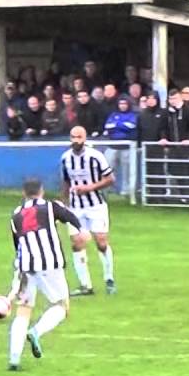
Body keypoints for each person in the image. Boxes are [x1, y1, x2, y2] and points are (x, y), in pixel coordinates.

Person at [3, 178, 88, 372]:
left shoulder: (16, 215)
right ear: (41, 191)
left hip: (26, 266)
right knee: (62, 306)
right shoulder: (50, 207)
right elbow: (69, 216)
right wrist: (82, 231)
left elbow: (18, 246)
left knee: (23, 310)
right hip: (49, 264)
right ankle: (36, 332)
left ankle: (14, 360)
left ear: (24, 194)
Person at [60, 126, 117, 296]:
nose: (76, 140)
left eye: (79, 137)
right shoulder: (65, 158)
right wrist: (63, 205)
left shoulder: (96, 156)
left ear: (85, 138)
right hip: (76, 207)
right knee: (77, 243)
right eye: (73, 137)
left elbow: (110, 179)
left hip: (96, 206)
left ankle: (109, 279)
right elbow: (65, 182)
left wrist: (90, 187)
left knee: (101, 242)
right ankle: (85, 285)